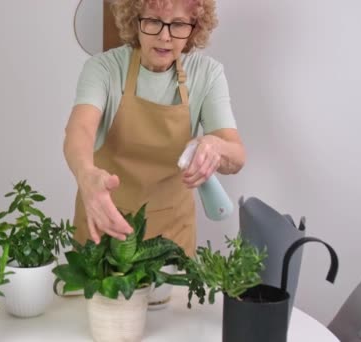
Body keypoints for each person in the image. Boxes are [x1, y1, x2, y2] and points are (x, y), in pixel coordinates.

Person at [63, 0, 245, 257]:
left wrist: (215, 146)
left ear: (194, 27)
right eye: (153, 21)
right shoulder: (104, 68)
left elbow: (236, 156)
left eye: (178, 24)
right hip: (105, 227)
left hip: (171, 239)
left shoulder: (207, 74)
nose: (164, 36)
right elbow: (79, 130)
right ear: (134, 20)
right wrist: (86, 174)